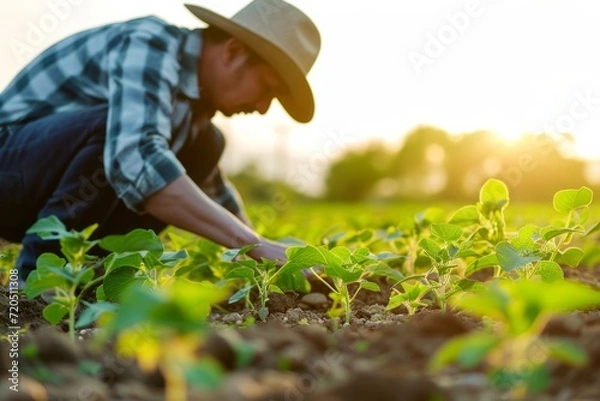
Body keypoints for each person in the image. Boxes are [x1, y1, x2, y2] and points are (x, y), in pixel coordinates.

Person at [0, 0, 321, 282]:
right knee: (123, 132)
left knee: (209, 142)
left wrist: (266, 254)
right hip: (9, 168)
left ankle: (95, 275)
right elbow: (135, 157)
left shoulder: (193, 114)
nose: (264, 108)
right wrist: (256, 245)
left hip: (40, 188)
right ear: (233, 52)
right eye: (267, 87)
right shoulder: (150, 43)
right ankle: (39, 276)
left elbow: (217, 199)